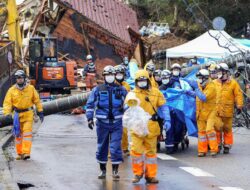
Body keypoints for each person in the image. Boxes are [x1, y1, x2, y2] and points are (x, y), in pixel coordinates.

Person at [128, 69, 170, 184]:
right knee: (136, 151)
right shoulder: (132, 94)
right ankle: (137, 174)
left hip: (151, 126)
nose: (142, 82)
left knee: (151, 153)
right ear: (136, 81)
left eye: (144, 80)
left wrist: (167, 119)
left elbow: (163, 107)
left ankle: (150, 176)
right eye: (139, 80)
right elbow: (127, 107)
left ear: (148, 80)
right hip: (137, 126)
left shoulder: (156, 92)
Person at [86, 65, 127, 180]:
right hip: (102, 123)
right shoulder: (98, 90)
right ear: (104, 76)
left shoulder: (121, 89)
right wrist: (89, 118)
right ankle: (103, 170)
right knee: (102, 147)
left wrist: (129, 116)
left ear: (115, 76)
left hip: (116, 123)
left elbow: (128, 104)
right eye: (107, 75)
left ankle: (115, 171)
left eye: (111, 75)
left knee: (115, 147)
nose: (110, 77)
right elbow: (90, 105)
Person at [3, 70, 43, 160]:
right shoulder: (11, 90)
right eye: (18, 78)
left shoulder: (31, 88)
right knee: (18, 135)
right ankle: (20, 153)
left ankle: (26, 152)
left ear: (24, 78)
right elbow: (7, 103)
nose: (19, 80)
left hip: (28, 114)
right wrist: (7, 113)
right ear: (16, 79)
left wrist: (40, 111)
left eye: (21, 78)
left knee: (27, 133)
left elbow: (37, 100)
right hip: (17, 116)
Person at [185, 69, 218, 157]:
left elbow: (203, 97)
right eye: (198, 78)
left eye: (200, 78)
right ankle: (202, 150)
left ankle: (214, 149)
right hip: (200, 112)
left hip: (210, 112)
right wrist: (189, 92)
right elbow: (197, 95)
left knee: (209, 130)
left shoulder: (211, 87)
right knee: (201, 133)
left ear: (205, 78)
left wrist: (195, 88)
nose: (199, 79)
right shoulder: (200, 85)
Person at [214, 63, 243, 154]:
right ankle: (217, 145)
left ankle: (227, 145)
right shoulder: (214, 83)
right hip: (216, 110)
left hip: (228, 110)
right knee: (217, 129)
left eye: (220, 72)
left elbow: (238, 95)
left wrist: (239, 106)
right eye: (218, 72)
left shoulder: (233, 83)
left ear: (225, 72)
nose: (218, 73)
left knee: (227, 129)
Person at [114, 65, 131, 156]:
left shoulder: (126, 85)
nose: (119, 76)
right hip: (113, 111)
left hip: (124, 111)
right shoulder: (112, 85)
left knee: (124, 130)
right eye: (118, 74)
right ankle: (112, 150)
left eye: (121, 74)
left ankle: (124, 148)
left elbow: (129, 97)